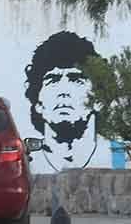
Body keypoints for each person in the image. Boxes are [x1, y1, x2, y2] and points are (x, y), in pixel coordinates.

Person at [24, 31, 123, 171]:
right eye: (52, 80)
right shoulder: (27, 159)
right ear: (37, 102)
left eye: (76, 80)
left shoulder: (120, 156)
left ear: (98, 99)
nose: (64, 91)